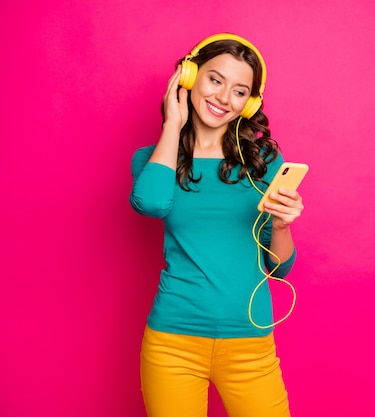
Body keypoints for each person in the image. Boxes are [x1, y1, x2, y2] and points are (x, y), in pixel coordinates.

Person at [129, 33, 303, 417]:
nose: (224, 98)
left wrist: (281, 223)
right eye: (215, 80)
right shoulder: (153, 160)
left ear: (250, 102)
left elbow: (280, 267)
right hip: (172, 343)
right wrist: (173, 123)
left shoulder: (265, 163)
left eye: (239, 91)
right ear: (188, 77)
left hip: (250, 345)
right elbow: (152, 204)